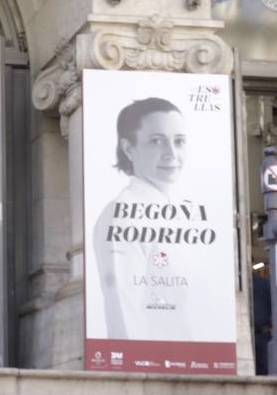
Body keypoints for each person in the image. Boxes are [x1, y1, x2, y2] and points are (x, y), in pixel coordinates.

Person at [90, 97, 212, 342]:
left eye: (179, 141)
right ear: (128, 148)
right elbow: (123, 311)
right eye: (157, 141)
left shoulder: (185, 211)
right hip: (157, 371)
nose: (171, 153)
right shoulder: (121, 214)